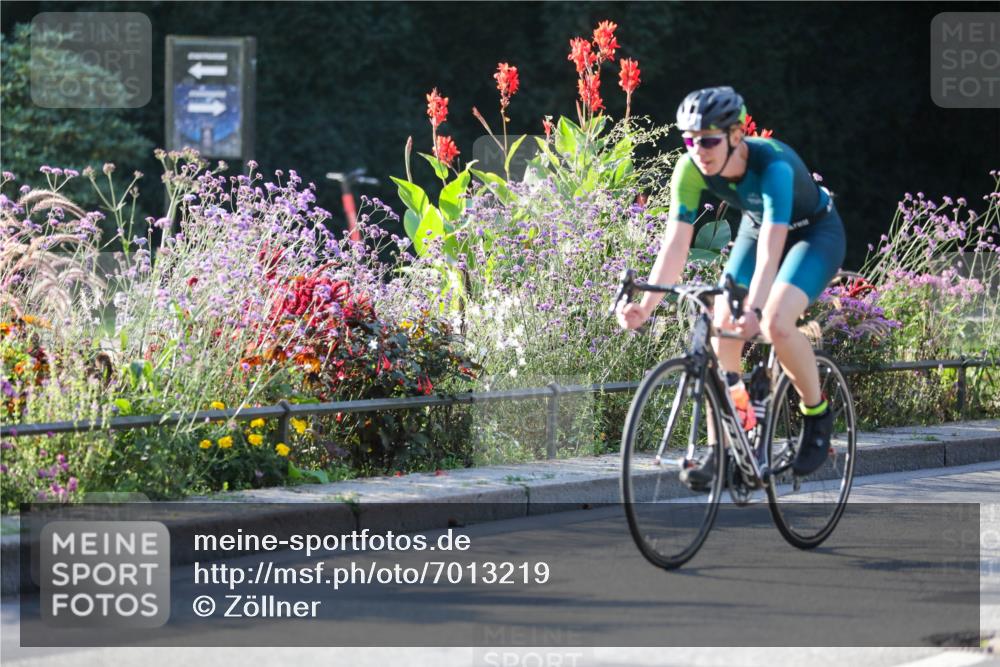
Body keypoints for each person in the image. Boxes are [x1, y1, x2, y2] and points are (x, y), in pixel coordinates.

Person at [616, 86, 846, 490]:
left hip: (813, 234)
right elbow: (675, 245)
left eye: (707, 140)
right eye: (689, 140)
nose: (698, 150)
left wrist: (754, 310)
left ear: (736, 135)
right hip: (759, 230)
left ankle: (817, 413)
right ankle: (724, 445)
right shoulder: (689, 169)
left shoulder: (772, 166)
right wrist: (646, 307)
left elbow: (771, 256)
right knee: (719, 323)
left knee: (774, 322)